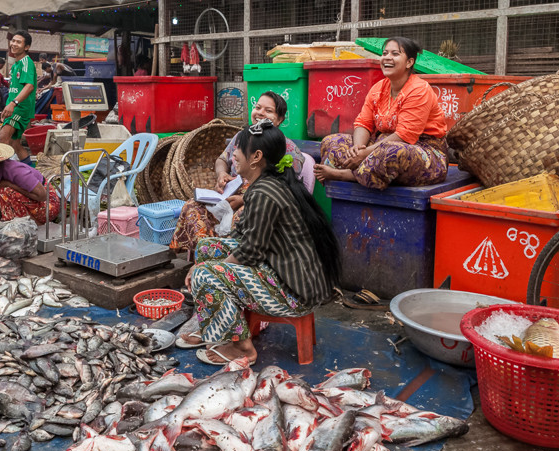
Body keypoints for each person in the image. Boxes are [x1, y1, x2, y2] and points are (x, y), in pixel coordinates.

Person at [175, 120, 340, 364]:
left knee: (205, 275)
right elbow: (243, 237)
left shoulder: (265, 193)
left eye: (238, 149)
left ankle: (243, 349)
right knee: (207, 247)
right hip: (278, 268)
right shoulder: (262, 186)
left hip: (293, 294)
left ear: (256, 157)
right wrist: (205, 262)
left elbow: (250, 252)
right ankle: (216, 326)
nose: (233, 155)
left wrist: (202, 270)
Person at [169, 91, 305, 256]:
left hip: (258, 201)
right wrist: (221, 175)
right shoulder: (242, 137)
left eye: (268, 111)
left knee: (241, 216)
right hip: (229, 194)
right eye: (258, 107)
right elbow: (222, 160)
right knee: (192, 206)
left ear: (280, 119)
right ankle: (203, 255)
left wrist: (243, 199)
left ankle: (227, 261)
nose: (260, 113)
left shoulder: (289, 151)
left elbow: (284, 191)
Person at [314, 37, 449, 190]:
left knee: (391, 153)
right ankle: (363, 171)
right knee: (332, 141)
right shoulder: (378, 88)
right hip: (380, 145)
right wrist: (358, 149)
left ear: (409, 62)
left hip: (423, 151)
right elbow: (363, 123)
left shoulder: (419, 90)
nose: (387, 58)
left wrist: (364, 155)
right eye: (385, 53)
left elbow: (405, 136)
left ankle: (347, 175)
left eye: (395, 54)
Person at [0, 31, 37, 166]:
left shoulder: (26, 62)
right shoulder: (16, 64)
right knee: (15, 143)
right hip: (14, 107)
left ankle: (4, 174)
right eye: (13, 41)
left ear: (26, 47)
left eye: (18, 42)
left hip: (20, 108)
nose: (14, 44)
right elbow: (15, 89)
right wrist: (8, 105)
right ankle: (31, 172)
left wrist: (13, 104)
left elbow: (29, 86)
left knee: (4, 139)